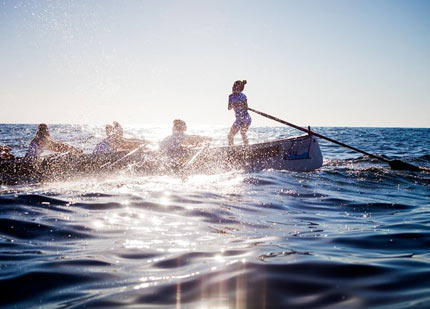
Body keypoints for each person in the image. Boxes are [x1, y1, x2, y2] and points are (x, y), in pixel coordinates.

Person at [228, 80, 251, 146]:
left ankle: (247, 147)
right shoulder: (230, 96)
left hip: (245, 118)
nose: (235, 89)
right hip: (238, 120)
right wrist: (233, 104)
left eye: (237, 88)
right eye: (234, 88)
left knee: (242, 133)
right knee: (230, 136)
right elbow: (229, 108)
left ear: (240, 89)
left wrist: (241, 104)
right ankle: (231, 149)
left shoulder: (243, 96)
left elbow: (246, 107)